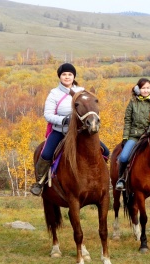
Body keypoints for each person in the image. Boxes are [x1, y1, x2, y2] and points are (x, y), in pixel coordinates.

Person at [30, 63, 110, 196]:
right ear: (60, 77)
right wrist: (63, 120)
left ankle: (101, 179)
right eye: (64, 74)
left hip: (81, 133)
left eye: (70, 74)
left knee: (105, 151)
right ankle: (40, 182)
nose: (67, 77)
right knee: (46, 154)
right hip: (61, 131)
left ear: (74, 76)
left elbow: (90, 109)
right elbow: (48, 115)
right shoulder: (54, 94)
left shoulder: (82, 92)